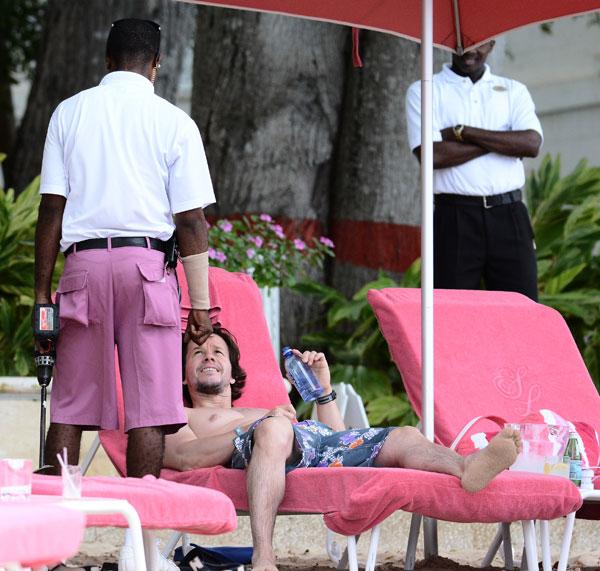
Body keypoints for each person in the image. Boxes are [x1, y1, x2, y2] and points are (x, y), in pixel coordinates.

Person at [164, 328, 522, 571]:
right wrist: (260, 424)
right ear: (183, 375)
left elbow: (337, 439)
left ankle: (464, 466)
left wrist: (323, 392)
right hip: (266, 442)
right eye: (197, 352)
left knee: (403, 434)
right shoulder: (180, 414)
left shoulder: (262, 408)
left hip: (309, 440)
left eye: (216, 352)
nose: (208, 357)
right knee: (274, 429)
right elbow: (183, 458)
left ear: (231, 374)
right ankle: (264, 557)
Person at [34, 18, 215, 478]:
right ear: (156, 65)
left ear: (107, 60)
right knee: (150, 408)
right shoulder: (175, 122)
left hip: (83, 269)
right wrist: (199, 304)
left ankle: (52, 541)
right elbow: (192, 221)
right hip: (147, 268)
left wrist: (41, 298)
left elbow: (51, 211)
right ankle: (141, 545)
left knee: (71, 405)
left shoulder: (68, 113)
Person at [405, 41, 543, 301]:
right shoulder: (424, 91)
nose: (469, 51)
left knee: (520, 312)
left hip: (509, 214)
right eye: (461, 44)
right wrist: (504, 141)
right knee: (448, 313)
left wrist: (462, 132)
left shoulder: (514, 90)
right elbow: (433, 155)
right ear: (447, 44)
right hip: (454, 216)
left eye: (478, 44)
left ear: (491, 44)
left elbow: (531, 144)